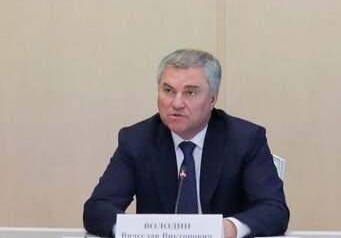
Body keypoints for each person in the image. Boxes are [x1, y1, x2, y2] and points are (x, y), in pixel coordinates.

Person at [83, 49, 289, 238]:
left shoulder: (245, 139)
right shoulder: (137, 140)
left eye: (190, 92)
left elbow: (274, 209)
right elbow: (97, 208)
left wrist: (229, 228)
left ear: (212, 99)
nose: (177, 103)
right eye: (168, 91)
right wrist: (133, 231)